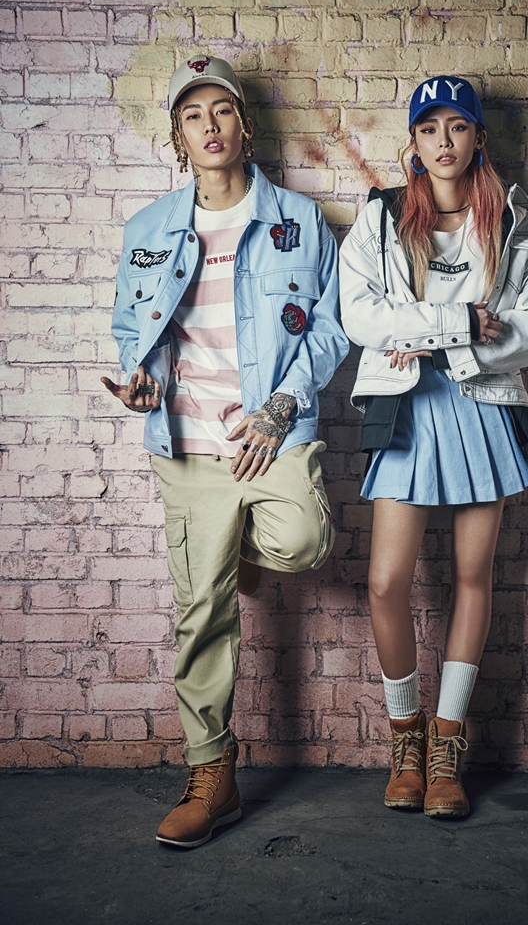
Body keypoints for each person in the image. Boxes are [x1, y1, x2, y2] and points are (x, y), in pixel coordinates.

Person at [101, 54, 348, 847]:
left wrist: (281, 406)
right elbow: (132, 329)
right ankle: (212, 771)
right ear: (178, 137)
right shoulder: (147, 230)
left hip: (270, 433)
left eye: (222, 111)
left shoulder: (299, 220)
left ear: (245, 125)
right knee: (201, 611)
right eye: (192, 116)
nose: (209, 127)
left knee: (304, 542)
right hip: (185, 442)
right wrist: (140, 379)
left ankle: (237, 546)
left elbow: (334, 325)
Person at [339, 75, 528, 819]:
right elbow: (361, 316)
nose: (443, 142)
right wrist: (460, 322)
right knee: (385, 582)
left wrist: (433, 334)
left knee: (472, 577)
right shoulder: (381, 217)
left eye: (456, 127)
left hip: (480, 406)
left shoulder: (511, 220)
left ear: (478, 138)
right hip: (406, 407)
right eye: (429, 129)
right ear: (414, 142)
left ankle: (445, 747)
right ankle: (405, 740)